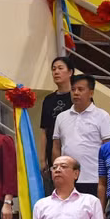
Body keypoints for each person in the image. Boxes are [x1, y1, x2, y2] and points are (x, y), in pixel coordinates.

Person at [52, 74, 110, 196]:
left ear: (91, 93)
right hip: (67, 179)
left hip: (93, 178)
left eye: (80, 89)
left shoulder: (102, 116)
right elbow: (56, 146)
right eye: (73, 89)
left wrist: (106, 175)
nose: (76, 93)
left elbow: (109, 148)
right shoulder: (61, 117)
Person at [39, 56, 74, 195]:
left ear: (70, 72)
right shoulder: (48, 100)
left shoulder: (77, 97)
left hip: (73, 152)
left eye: (60, 68)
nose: (56, 72)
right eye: (53, 69)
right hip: (53, 153)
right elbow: (44, 131)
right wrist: (42, 159)